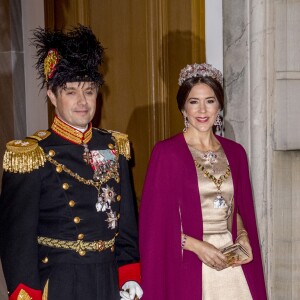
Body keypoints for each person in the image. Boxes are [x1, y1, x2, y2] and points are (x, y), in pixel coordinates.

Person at [0, 25, 143, 300]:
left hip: (108, 281)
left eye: (89, 91)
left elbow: (125, 224)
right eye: (71, 91)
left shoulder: (113, 146)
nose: (82, 101)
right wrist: (25, 294)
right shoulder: (31, 155)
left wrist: (129, 274)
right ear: (52, 96)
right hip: (60, 283)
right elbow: (16, 241)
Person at [139, 63, 267, 299]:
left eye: (210, 101)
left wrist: (243, 237)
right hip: (189, 261)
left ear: (219, 106)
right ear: (183, 108)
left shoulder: (235, 152)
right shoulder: (167, 153)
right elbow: (154, 226)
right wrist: (198, 246)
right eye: (193, 101)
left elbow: (236, 209)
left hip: (230, 261)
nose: (202, 110)